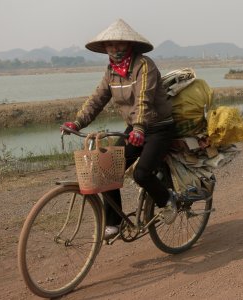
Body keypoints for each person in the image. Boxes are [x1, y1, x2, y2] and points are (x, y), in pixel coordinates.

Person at [62, 19, 177, 239]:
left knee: (142, 174)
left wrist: (140, 127)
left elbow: (144, 99)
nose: (114, 49)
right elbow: (97, 99)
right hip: (135, 128)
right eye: (110, 45)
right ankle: (115, 224)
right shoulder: (111, 72)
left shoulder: (144, 65)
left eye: (119, 44)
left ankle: (167, 200)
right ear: (105, 48)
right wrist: (77, 123)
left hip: (158, 127)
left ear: (129, 45)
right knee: (105, 169)